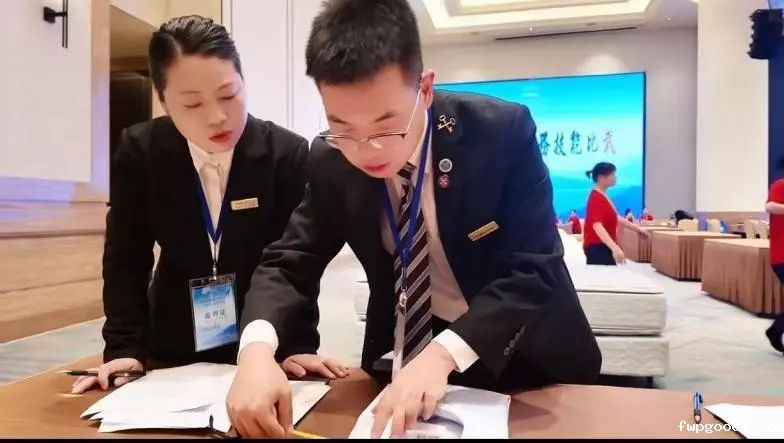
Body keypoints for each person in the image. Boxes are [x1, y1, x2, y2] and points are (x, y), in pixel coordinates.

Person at [225, 0, 601, 438]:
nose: (366, 150)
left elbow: (534, 267)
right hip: (403, 358)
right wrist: (255, 352)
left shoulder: (500, 133)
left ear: (425, 88)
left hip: (527, 359)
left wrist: (443, 355)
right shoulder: (331, 159)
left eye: (386, 127)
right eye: (343, 127)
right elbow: (289, 262)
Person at [71, 16, 347, 394]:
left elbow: (295, 262)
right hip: (172, 341)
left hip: (265, 341)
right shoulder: (142, 152)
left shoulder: (286, 154)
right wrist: (124, 348)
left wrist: (296, 344)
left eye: (228, 95)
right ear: (163, 101)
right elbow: (125, 258)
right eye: (192, 103)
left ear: (243, 81)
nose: (217, 116)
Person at [582, 162, 646, 265]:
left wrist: (637, 229)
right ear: (601, 177)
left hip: (603, 246)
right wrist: (615, 248)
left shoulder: (603, 195)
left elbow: (617, 218)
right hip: (598, 247)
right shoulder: (596, 197)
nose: (615, 177)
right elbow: (597, 226)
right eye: (612, 174)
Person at [765, 178, 784, 354]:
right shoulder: (780, 185)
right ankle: (775, 330)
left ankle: (776, 330)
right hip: (781, 255)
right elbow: (770, 206)